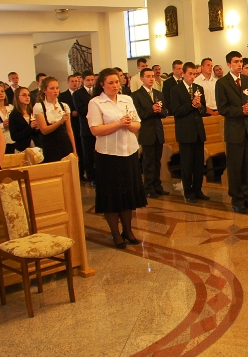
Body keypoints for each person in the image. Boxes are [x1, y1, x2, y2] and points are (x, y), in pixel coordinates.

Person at [87, 68, 145, 249]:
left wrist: (129, 125)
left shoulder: (126, 99)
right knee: (112, 196)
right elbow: (95, 130)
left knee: (128, 194)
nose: (115, 86)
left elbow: (137, 124)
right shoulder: (96, 103)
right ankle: (115, 233)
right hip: (108, 155)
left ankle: (128, 230)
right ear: (102, 84)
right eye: (110, 83)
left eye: (117, 82)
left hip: (129, 152)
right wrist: (119, 124)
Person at [216, 51, 248, 214]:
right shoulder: (222, 83)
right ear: (229, 64)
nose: (239, 64)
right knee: (235, 167)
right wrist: (240, 110)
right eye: (235, 62)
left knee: (247, 166)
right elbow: (223, 108)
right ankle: (237, 200)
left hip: (247, 129)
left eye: (241, 61)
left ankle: (247, 197)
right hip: (234, 130)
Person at [169, 62, 209, 203]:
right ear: (183, 74)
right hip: (185, 132)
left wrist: (199, 106)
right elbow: (176, 111)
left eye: (194, 74)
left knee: (199, 163)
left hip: (198, 131)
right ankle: (188, 191)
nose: (193, 77)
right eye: (190, 74)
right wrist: (191, 105)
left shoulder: (198, 88)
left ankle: (198, 190)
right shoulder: (176, 90)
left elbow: (203, 110)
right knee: (187, 164)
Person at [133, 68, 169, 198]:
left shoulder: (158, 94)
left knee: (157, 161)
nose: (151, 79)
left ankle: (157, 185)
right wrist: (152, 110)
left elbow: (165, 112)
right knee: (148, 162)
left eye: (152, 76)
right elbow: (138, 114)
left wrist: (160, 111)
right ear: (142, 78)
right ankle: (148, 187)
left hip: (158, 131)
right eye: (148, 76)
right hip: (147, 131)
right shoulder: (136, 95)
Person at [33, 77, 76, 163]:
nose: (55, 91)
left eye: (57, 88)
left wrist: (74, 150)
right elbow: (44, 130)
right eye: (52, 88)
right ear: (44, 90)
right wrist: (60, 121)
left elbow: (69, 130)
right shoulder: (39, 107)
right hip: (49, 145)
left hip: (64, 143)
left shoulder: (64, 106)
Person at [74, 71, 97, 185]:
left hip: (98, 125)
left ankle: (100, 175)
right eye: (88, 80)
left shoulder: (97, 92)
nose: (90, 82)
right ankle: (91, 177)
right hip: (86, 128)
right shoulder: (77, 94)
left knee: (99, 153)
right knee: (88, 154)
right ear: (82, 80)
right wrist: (93, 105)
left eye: (92, 80)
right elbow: (81, 111)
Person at [58, 74, 83, 177]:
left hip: (80, 125)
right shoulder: (62, 96)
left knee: (81, 150)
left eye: (76, 81)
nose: (74, 83)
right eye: (72, 81)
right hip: (70, 124)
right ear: (68, 83)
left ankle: (81, 173)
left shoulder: (81, 94)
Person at [8, 87, 40, 152]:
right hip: (22, 148)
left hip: (36, 146)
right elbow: (14, 137)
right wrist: (30, 128)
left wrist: (38, 128)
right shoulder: (13, 115)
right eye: (24, 95)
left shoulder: (33, 111)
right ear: (17, 97)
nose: (27, 97)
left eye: (28, 95)